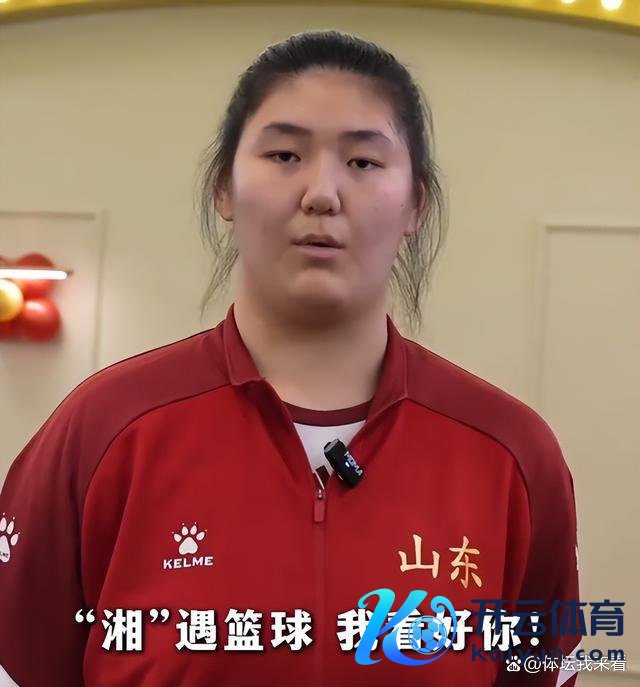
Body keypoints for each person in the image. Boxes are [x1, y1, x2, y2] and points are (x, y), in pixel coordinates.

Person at [0, 30, 581, 687]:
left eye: (363, 162)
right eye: (284, 155)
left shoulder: (510, 453)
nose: (321, 193)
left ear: (416, 203)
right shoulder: (104, 429)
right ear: (223, 188)